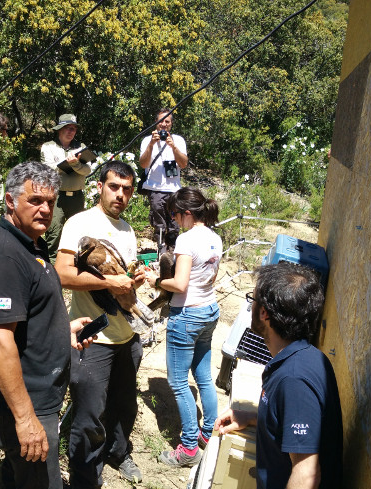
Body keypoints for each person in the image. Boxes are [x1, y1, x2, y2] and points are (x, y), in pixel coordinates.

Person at [0, 161, 96, 489]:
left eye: (50, 202)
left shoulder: (30, 246)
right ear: (10, 201)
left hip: (39, 398)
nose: (45, 210)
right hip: (26, 405)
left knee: (19, 479)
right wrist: (26, 420)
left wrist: (61, 333)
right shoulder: (5, 257)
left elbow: (24, 321)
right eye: (35, 201)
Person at [54, 161, 146, 488]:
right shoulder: (81, 223)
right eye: (114, 187)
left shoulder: (128, 229)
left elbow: (124, 276)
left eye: (127, 189)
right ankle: (85, 480)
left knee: (123, 406)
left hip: (128, 335)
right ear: (99, 187)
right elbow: (63, 274)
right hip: (93, 338)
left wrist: (135, 278)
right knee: (89, 416)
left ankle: (119, 454)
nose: (120, 194)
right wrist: (109, 284)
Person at [214, 261, 343, 489]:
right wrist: (255, 417)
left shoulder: (294, 380)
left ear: (264, 313)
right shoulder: (305, 357)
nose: (250, 306)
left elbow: (307, 475)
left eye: (252, 300)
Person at [144, 187, 222, 467]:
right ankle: (208, 433)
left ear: (187, 213)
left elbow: (179, 284)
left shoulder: (187, 240)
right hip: (209, 311)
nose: (175, 220)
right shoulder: (215, 237)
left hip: (187, 315)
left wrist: (154, 280)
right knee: (203, 378)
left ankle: (188, 448)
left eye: (175, 215)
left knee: (178, 384)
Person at [41, 113, 92, 263]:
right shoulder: (48, 147)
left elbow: (87, 170)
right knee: (54, 232)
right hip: (55, 197)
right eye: (68, 128)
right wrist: (69, 164)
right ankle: (51, 266)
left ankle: (74, 265)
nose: (71, 132)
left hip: (77, 197)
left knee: (77, 232)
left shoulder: (81, 147)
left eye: (74, 129)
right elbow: (47, 170)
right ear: (59, 129)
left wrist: (75, 164)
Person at [138, 108, 188, 252]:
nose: (164, 124)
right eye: (161, 121)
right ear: (156, 122)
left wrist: (173, 147)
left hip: (174, 190)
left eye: (167, 121)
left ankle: (172, 251)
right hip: (155, 189)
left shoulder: (178, 140)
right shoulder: (147, 140)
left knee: (174, 222)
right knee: (158, 224)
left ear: (171, 124)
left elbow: (183, 164)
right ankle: (161, 251)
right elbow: (143, 163)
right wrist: (151, 145)